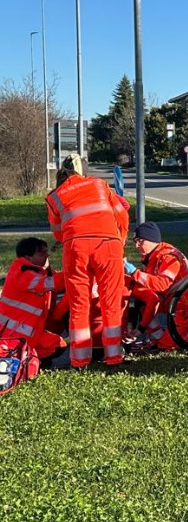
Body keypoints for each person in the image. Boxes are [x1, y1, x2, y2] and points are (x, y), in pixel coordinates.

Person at [46, 154, 130, 369]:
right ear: (84, 170)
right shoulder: (99, 185)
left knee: (78, 305)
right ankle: (114, 357)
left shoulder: (54, 196)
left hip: (75, 248)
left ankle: (79, 360)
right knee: (111, 302)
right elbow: (121, 216)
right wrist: (118, 241)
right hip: (107, 244)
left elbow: (58, 232)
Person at [125, 221, 188, 350]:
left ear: (152, 240)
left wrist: (134, 272)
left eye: (140, 241)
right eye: (135, 241)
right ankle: (158, 338)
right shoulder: (153, 257)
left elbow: (162, 284)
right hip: (176, 303)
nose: (137, 245)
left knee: (168, 346)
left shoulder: (169, 257)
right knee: (142, 302)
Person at [0, 237, 68, 369]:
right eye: (42, 253)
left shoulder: (33, 270)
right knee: (54, 345)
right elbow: (52, 283)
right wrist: (77, 272)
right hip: (14, 335)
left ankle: (34, 361)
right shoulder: (23, 273)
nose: (47, 255)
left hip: (26, 329)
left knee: (56, 344)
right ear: (28, 257)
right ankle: (33, 363)